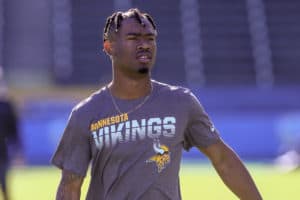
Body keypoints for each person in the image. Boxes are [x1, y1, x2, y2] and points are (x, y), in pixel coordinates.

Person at [51, 8, 262, 200]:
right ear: (109, 47)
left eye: (150, 38)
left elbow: (223, 159)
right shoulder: (86, 113)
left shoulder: (181, 102)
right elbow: (70, 186)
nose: (144, 45)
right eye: (133, 38)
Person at [0, 67, 20, 200]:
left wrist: (18, 151)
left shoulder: (6, 105)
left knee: (4, 182)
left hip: (2, 150)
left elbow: (14, 129)